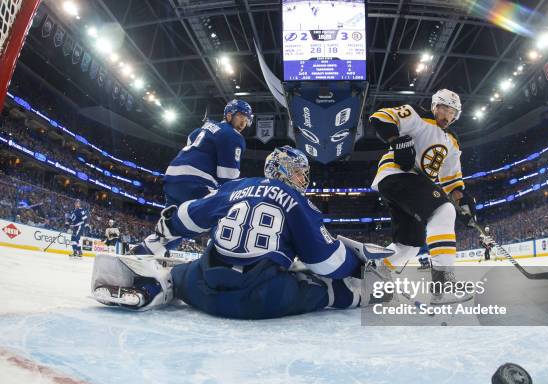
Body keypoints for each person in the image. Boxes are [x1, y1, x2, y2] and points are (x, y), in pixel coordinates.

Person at [90, 146, 391, 318]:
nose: (303, 178)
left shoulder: (236, 187)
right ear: (283, 170)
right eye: (298, 171)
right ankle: (369, 295)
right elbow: (329, 263)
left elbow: (185, 217)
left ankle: (154, 287)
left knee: (182, 274)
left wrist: (163, 230)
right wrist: (359, 264)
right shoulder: (298, 201)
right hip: (261, 298)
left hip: (205, 292)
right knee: (321, 286)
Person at [368, 89, 477, 296]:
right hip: (397, 175)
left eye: (453, 113)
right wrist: (396, 141)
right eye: (444, 109)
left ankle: (375, 271)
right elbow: (380, 117)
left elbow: (451, 181)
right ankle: (443, 279)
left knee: (410, 244)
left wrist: (462, 203)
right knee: (443, 210)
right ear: (435, 105)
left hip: (412, 185)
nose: (448, 116)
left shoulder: (453, 141)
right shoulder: (417, 115)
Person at [132, 99, 254, 255]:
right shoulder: (233, 136)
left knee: (178, 220)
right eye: (241, 117)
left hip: (172, 177)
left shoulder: (203, 128)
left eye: (247, 120)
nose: (244, 123)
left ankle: (147, 250)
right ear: (229, 115)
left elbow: (191, 139)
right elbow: (228, 176)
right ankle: (222, 257)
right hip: (195, 180)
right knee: (219, 213)